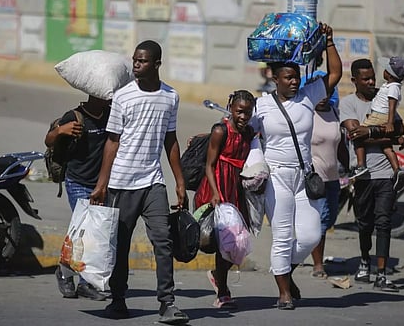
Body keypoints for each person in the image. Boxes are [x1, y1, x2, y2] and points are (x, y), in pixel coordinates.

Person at [89, 40, 190, 324]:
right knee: (120, 246)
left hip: (152, 182)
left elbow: (171, 140)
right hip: (121, 183)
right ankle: (118, 300)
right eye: (134, 60)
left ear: (156, 64)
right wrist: (102, 183)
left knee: (164, 240)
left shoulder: (171, 97)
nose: (136, 65)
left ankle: (167, 303)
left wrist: (179, 181)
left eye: (142, 61)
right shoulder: (123, 97)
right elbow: (112, 141)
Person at [250, 23, 342, 310]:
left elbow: (336, 73)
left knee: (311, 234)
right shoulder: (261, 105)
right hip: (276, 177)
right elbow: (241, 130)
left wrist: (328, 41)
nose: (294, 82)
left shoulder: (308, 96)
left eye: (296, 77)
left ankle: (284, 273)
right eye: (288, 78)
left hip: (304, 176)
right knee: (283, 235)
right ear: (275, 78)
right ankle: (284, 293)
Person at [339, 58, 404, 292]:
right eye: (365, 79)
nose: (370, 82)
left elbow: (399, 129)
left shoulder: (385, 95)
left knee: (384, 222)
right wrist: (379, 134)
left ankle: (382, 274)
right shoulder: (347, 104)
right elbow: (356, 135)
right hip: (363, 175)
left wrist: (370, 131)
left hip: (384, 173)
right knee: (365, 223)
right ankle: (365, 259)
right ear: (354, 80)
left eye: (372, 78)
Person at [194, 90, 256, 309]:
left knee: (237, 241)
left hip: (236, 190)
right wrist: (214, 192)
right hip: (217, 187)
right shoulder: (221, 131)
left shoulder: (249, 133)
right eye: (239, 111)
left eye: (248, 112)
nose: (243, 116)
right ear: (231, 108)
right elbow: (209, 165)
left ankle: (218, 277)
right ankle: (223, 292)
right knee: (224, 241)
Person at [45, 95, 110, 301]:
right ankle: (65, 273)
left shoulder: (110, 115)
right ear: (93, 94)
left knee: (94, 235)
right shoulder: (74, 116)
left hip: (101, 184)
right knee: (83, 232)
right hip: (78, 182)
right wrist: (59, 131)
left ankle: (84, 283)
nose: (108, 99)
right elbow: (48, 140)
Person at [351, 56, 404, 191]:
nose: (372, 82)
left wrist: (390, 123)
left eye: (385, 69)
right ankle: (397, 170)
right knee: (386, 146)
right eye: (366, 79)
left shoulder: (393, 88)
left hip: (379, 116)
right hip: (379, 116)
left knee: (357, 136)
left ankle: (361, 165)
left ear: (389, 74)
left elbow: (391, 106)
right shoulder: (389, 86)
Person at [309, 92, 349, 279]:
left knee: (331, 217)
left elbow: (339, 144)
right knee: (321, 220)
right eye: (320, 92)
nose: (323, 97)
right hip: (315, 178)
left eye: (328, 92)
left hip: (333, 177)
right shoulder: (307, 114)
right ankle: (318, 265)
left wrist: (349, 166)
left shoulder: (334, 113)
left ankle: (302, 246)